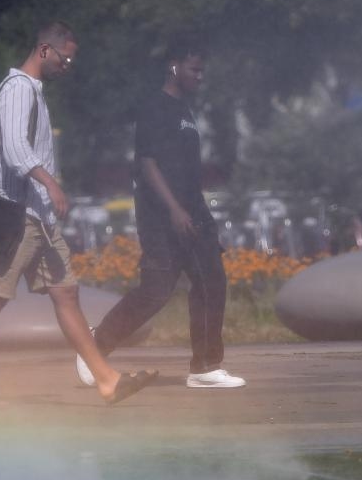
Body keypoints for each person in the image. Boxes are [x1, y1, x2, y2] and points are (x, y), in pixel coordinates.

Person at [0, 22, 154, 406]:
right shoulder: (18, 89)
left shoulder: (34, 92)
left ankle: (107, 380)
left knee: (66, 293)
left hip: (38, 216)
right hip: (19, 216)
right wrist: (51, 183)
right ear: (45, 50)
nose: (68, 65)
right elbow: (13, 147)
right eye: (66, 57)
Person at [77, 41, 246, 389]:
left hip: (192, 210)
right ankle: (96, 346)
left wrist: (190, 208)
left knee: (210, 280)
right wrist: (174, 210)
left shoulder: (184, 110)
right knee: (156, 291)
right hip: (163, 216)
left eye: (202, 71)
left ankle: (204, 367)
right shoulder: (156, 107)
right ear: (174, 67)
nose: (200, 77)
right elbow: (148, 163)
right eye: (194, 70)